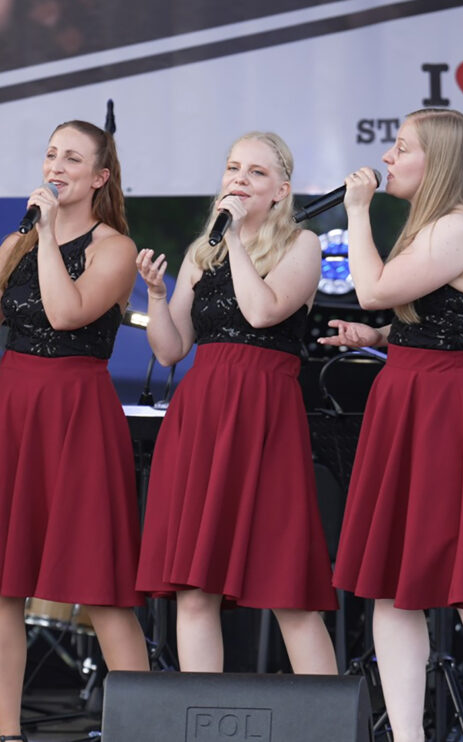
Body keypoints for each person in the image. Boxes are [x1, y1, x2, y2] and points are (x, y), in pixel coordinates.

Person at [0, 119, 150, 742]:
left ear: (99, 177)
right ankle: (10, 731)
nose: (56, 165)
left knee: (102, 586)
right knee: (1, 579)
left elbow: (66, 312)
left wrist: (43, 233)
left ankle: (146, 729)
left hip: (76, 411)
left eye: (72, 157)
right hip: (13, 407)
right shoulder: (17, 242)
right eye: (50, 154)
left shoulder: (114, 248)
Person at [324, 108, 463, 742]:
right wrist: (383, 337)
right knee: (389, 584)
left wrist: (357, 211)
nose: (387, 158)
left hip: (446, 411)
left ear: (436, 161)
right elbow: (437, 319)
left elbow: (372, 286)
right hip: (410, 397)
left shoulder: (459, 228)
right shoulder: (434, 228)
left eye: (401, 147)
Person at [133, 132, 338, 675]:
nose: (239, 180)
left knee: (287, 587)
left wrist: (239, 242)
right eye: (232, 169)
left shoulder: (303, 244)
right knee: (195, 588)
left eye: (255, 173)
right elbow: (170, 349)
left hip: (264, 412)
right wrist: (157, 296)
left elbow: (263, 312)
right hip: (202, 413)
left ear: (281, 191)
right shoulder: (202, 253)